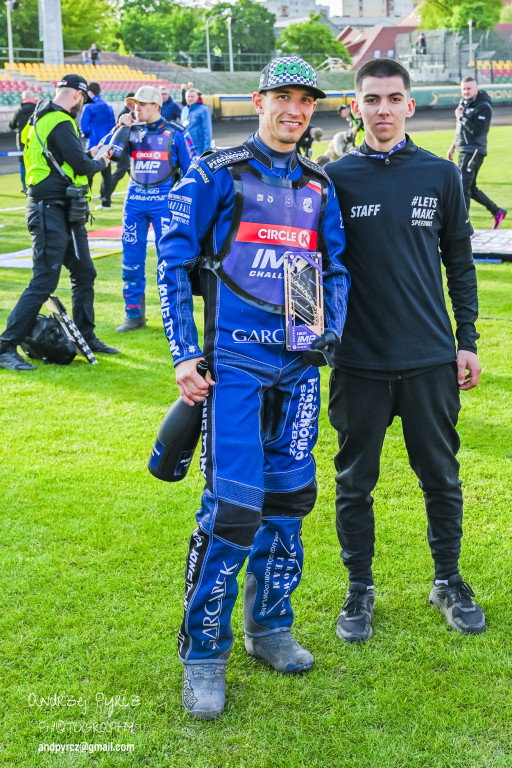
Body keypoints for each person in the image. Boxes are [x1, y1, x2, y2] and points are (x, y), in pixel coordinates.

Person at [157, 55, 350, 720]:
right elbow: (174, 261)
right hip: (232, 368)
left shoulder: (318, 185)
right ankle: (203, 653)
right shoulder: (217, 171)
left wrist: (326, 330)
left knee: (290, 503)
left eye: (307, 100)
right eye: (283, 97)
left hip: (297, 368)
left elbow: (332, 268)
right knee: (233, 510)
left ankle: (269, 627)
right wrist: (185, 354)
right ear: (259, 101)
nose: (295, 110)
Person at [325, 58, 486, 644]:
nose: (383, 109)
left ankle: (448, 580)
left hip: (428, 360)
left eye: (394, 98)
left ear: (410, 105)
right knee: (354, 483)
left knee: (441, 477)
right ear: (357, 106)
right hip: (358, 362)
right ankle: (359, 589)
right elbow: (312, 265)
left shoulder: (440, 175)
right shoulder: (333, 178)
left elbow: (460, 264)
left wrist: (466, 341)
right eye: (372, 99)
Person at [0, 74, 118, 372]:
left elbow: (61, 159)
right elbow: (82, 166)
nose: (82, 106)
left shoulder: (39, 117)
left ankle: (86, 336)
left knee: (84, 272)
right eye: (83, 101)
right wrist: (101, 162)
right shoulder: (62, 121)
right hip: (49, 209)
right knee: (44, 281)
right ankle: (5, 346)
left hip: (61, 209)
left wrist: (88, 155)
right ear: (78, 95)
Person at [110, 85, 196, 332]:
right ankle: (134, 315)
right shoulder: (130, 129)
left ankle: (175, 317)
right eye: (134, 104)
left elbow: (193, 172)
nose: (136, 108)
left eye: (142, 104)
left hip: (164, 204)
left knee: (169, 263)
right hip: (134, 203)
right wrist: (119, 128)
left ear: (156, 106)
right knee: (131, 262)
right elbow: (108, 153)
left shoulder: (177, 133)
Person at [447, 77, 506, 229]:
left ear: (476, 88)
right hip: (463, 149)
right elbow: (461, 129)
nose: (466, 92)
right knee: (470, 187)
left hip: (474, 151)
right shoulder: (464, 103)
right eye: (463, 89)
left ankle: (463, 227)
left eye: (469, 88)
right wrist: (453, 146)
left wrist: (461, 116)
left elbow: (478, 130)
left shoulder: (483, 106)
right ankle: (497, 211)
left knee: (463, 187)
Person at [80, 82, 116, 210]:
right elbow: (113, 125)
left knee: (88, 174)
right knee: (106, 174)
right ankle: (106, 202)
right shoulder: (108, 105)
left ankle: (84, 202)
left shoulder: (88, 106)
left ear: (90, 92)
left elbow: (84, 127)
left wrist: (88, 135)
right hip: (107, 144)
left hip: (93, 145)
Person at [9, 89, 38, 193]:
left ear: (23, 99)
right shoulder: (38, 109)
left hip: (22, 142)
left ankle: (26, 186)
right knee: (37, 162)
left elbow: (11, 126)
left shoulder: (18, 110)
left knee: (23, 164)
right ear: (32, 98)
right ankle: (36, 184)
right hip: (36, 141)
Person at [110, 92, 135, 195]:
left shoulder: (135, 114)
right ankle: (106, 195)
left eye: (132, 102)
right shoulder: (125, 114)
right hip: (124, 150)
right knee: (120, 172)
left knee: (131, 173)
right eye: (128, 102)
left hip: (130, 151)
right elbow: (118, 133)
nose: (130, 104)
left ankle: (106, 194)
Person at [181, 88, 212, 155]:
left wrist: (207, 150)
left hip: (199, 148)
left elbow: (207, 131)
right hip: (185, 147)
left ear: (198, 97)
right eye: (188, 96)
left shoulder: (204, 110)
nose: (190, 98)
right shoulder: (184, 110)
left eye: (192, 96)